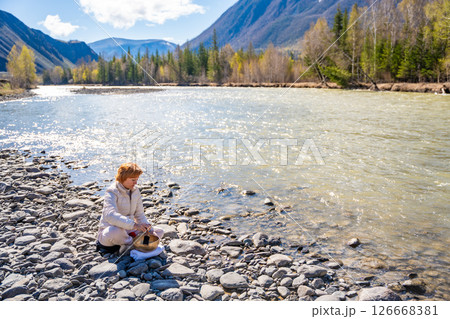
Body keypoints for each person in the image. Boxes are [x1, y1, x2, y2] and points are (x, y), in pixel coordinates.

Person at [96, 162, 164, 254]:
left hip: (128, 231)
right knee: (114, 231)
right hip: (111, 233)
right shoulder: (111, 191)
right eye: (133, 180)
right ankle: (134, 245)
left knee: (159, 232)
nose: (136, 183)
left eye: (137, 179)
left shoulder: (135, 191)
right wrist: (134, 225)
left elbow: (140, 215)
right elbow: (110, 215)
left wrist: (149, 231)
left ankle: (131, 246)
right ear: (123, 178)